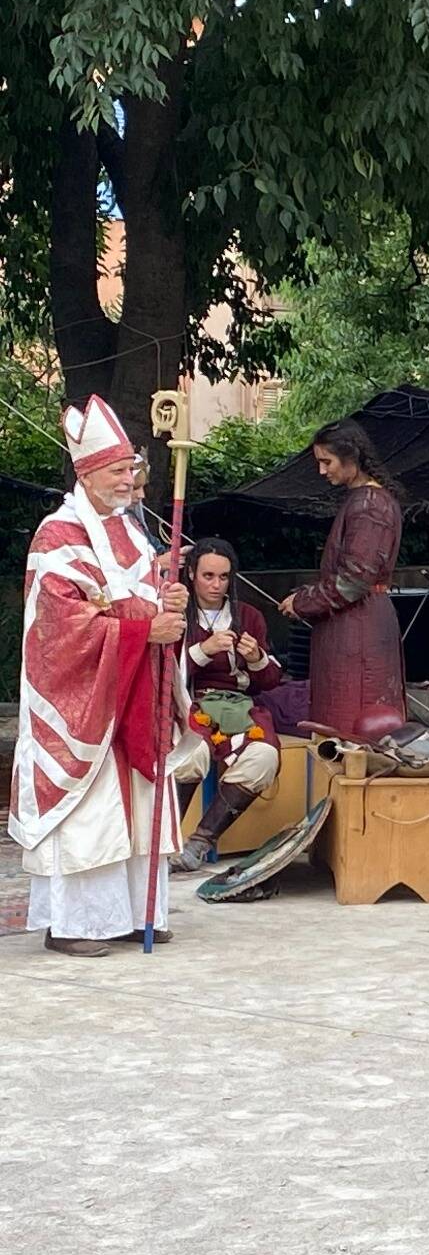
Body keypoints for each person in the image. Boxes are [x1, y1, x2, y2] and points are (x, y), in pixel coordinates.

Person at [12, 396, 196, 955]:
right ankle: (76, 925)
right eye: (118, 470)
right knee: (92, 814)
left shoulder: (128, 532)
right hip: (87, 701)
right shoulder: (56, 535)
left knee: (139, 807)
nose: (127, 480)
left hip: (134, 694)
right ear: (88, 473)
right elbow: (61, 627)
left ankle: (135, 914)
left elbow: (140, 598)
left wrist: (172, 602)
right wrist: (145, 630)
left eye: (130, 469)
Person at [278, 419, 405, 743]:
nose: (322, 471)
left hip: (358, 632)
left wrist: (303, 601)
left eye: (327, 461)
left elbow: (353, 580)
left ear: (352, 456)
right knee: (343, 732)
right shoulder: (365, 500)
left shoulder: (370, 504)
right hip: (354, 627)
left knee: (354, 731)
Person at [172, 537, 285, 870]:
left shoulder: (248, 616)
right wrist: (202, 651)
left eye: (223, 577)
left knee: (264, 758)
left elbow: (270, 680)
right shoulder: (177, 614)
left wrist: (257, 658)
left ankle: (200, 841)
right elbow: (162, 674)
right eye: (208, 576)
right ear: (191, 573)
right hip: (191, 704)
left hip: (240, 707)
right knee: (189, 756)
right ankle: (166, 843)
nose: (216, 584)